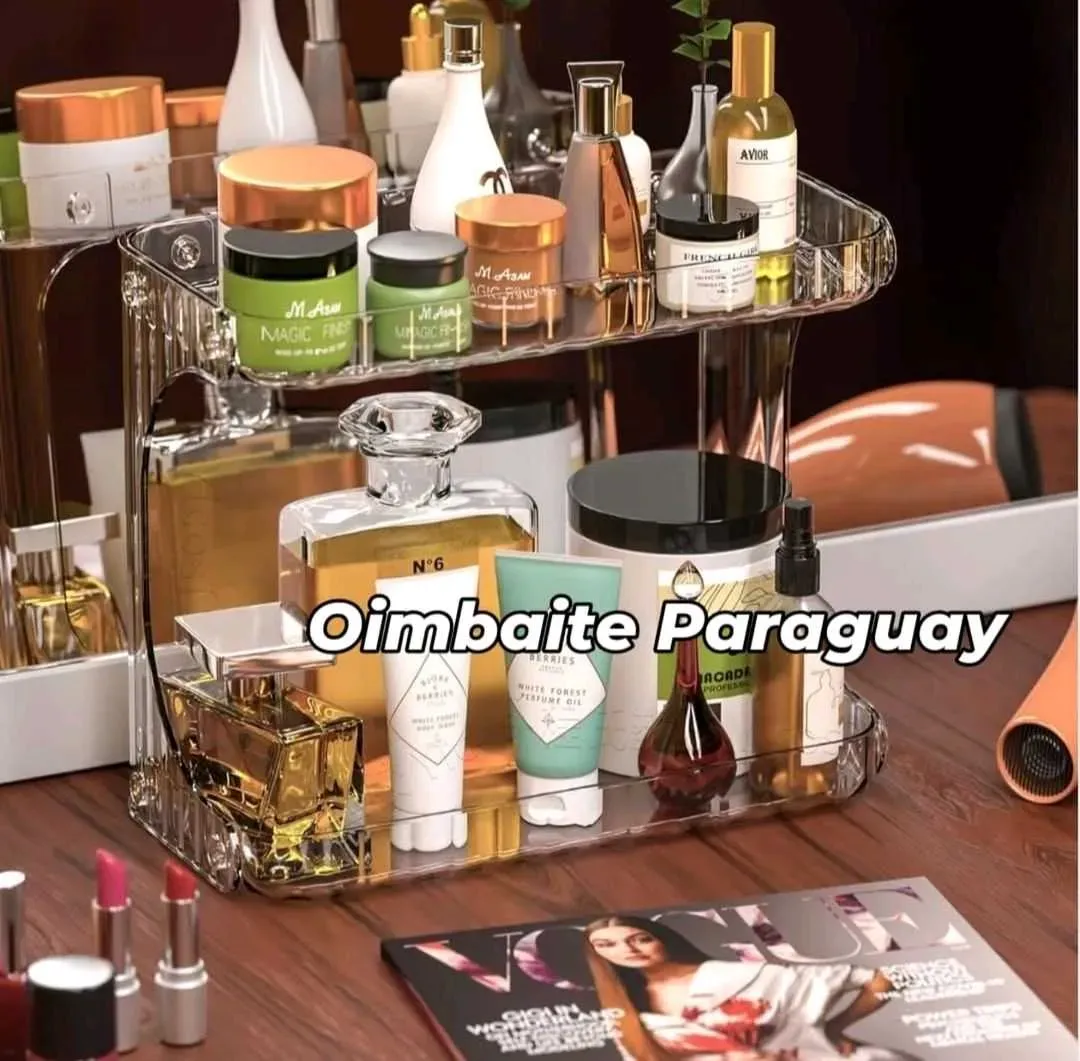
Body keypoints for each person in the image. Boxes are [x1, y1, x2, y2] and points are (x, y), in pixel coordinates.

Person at [583, 915, 911, 1060]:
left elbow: (887, 977)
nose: (627, 950)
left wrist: (834, 1026)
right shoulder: (622, 1008)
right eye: (606, 945)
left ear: (662, 940)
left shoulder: (750, 975)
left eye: (640, 939)